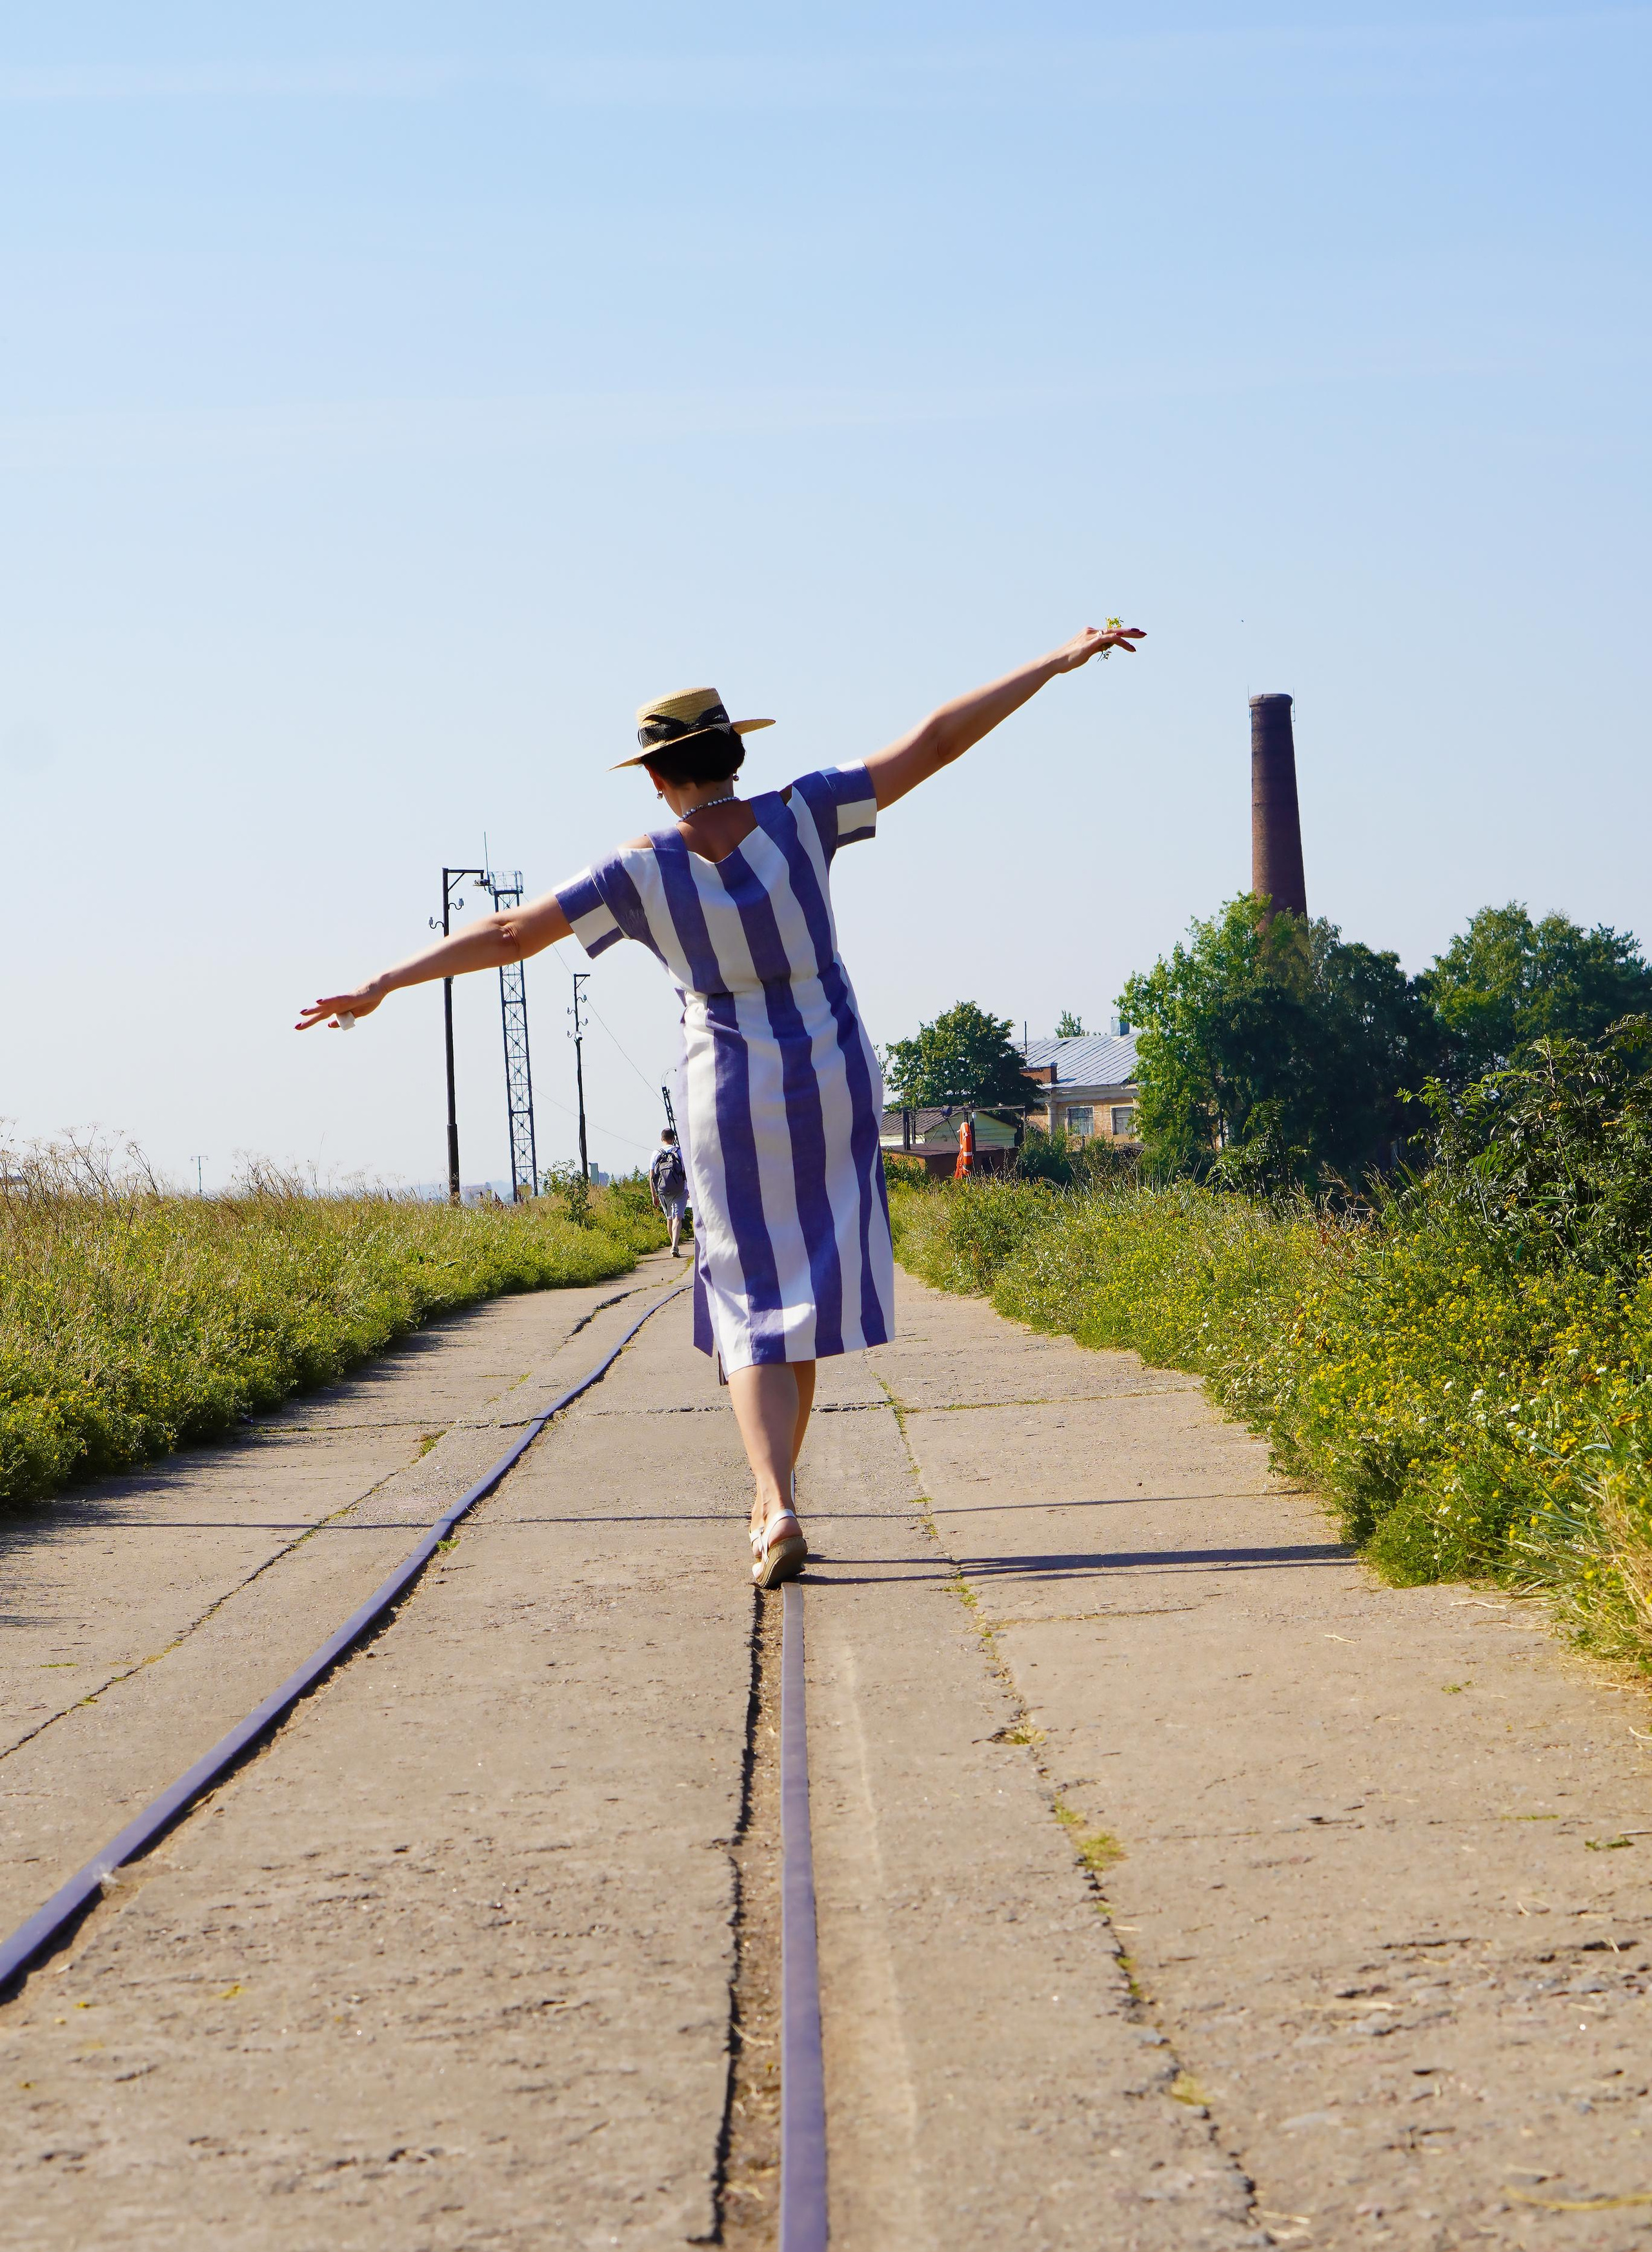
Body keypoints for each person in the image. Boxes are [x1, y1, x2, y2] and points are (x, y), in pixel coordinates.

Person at [297, 625, 1143, 1587]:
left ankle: (774, 1498)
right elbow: (938, 739)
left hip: (726, 1090)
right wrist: (1055, 662)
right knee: (811, 1292)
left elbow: (505, 934)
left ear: (658, 778)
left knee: (749, 1302)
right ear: (737, 753)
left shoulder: (637, 867)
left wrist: (383, 981)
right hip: (832, 1076)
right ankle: (772, 1490)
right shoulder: (806, 813)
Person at [649, 1126, 689, 1257]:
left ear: (662, 1139)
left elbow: (651, 1177)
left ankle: (673, 1245)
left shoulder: (656, 1153)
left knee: (669, 1218)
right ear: (673, 1139)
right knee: (678, 1217)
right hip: (680, 1188)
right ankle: (675, 1246)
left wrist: (653, 1195)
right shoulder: (680, 1152)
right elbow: (687, 1172)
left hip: (662, 1190)